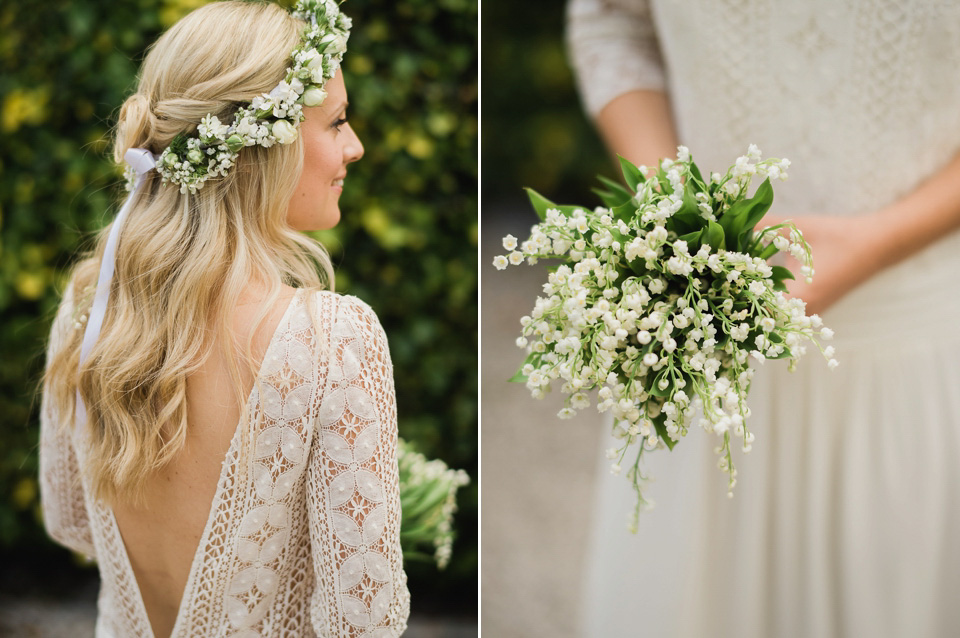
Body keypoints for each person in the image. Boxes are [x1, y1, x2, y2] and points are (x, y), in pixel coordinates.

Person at [566, 1, 960, 636]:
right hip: (703, 346)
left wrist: (880, 240)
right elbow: (613, 23)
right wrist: (678, 215)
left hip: (914, 358)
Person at [38, 1, 410, 636]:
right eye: (337, 122)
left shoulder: (86, 308)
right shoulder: (334, 342)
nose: (355, 146)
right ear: (261, 144)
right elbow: (363, 620)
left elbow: (70, 521)